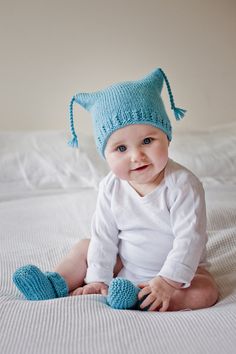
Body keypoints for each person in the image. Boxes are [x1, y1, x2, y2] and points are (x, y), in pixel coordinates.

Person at [13, 68, 219, 311]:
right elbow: (104, 236)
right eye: (121, 149)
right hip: (127, 266)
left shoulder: (184, 185)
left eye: (147, 141)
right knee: (85, 246)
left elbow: (190, 241)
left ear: (167, 137)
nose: (136, 156)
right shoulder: (110, 187)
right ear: (105, 155)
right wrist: (98, 279)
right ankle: (55, 283)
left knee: (206, 290)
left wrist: (167, 280)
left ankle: (142, 299)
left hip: (180, 275)